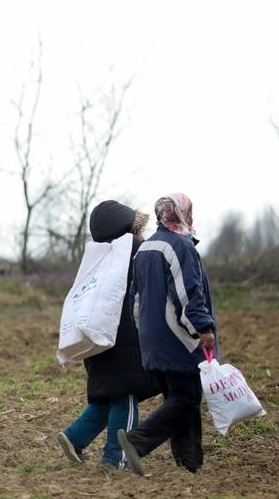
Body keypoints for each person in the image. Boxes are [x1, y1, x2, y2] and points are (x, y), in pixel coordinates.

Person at [117, 193, 217, 476]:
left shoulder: (146, 247)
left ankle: (189, 463)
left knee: (180, 397)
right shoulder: (180, 245)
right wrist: (201, 328)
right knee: (186, 398)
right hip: (178, 338)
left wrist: (144, 330)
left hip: (151, 337)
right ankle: (136, 442)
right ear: (183, 213)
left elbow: (133, 298)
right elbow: (187, 293)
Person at [56, 200, 160, 469]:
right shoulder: (136, 250)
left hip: (98, 339)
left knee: (108, 397)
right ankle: (116, 457)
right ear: (127, 226)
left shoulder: (98, 257)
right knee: (125, 398)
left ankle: (74, 437)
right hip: (126, 343)